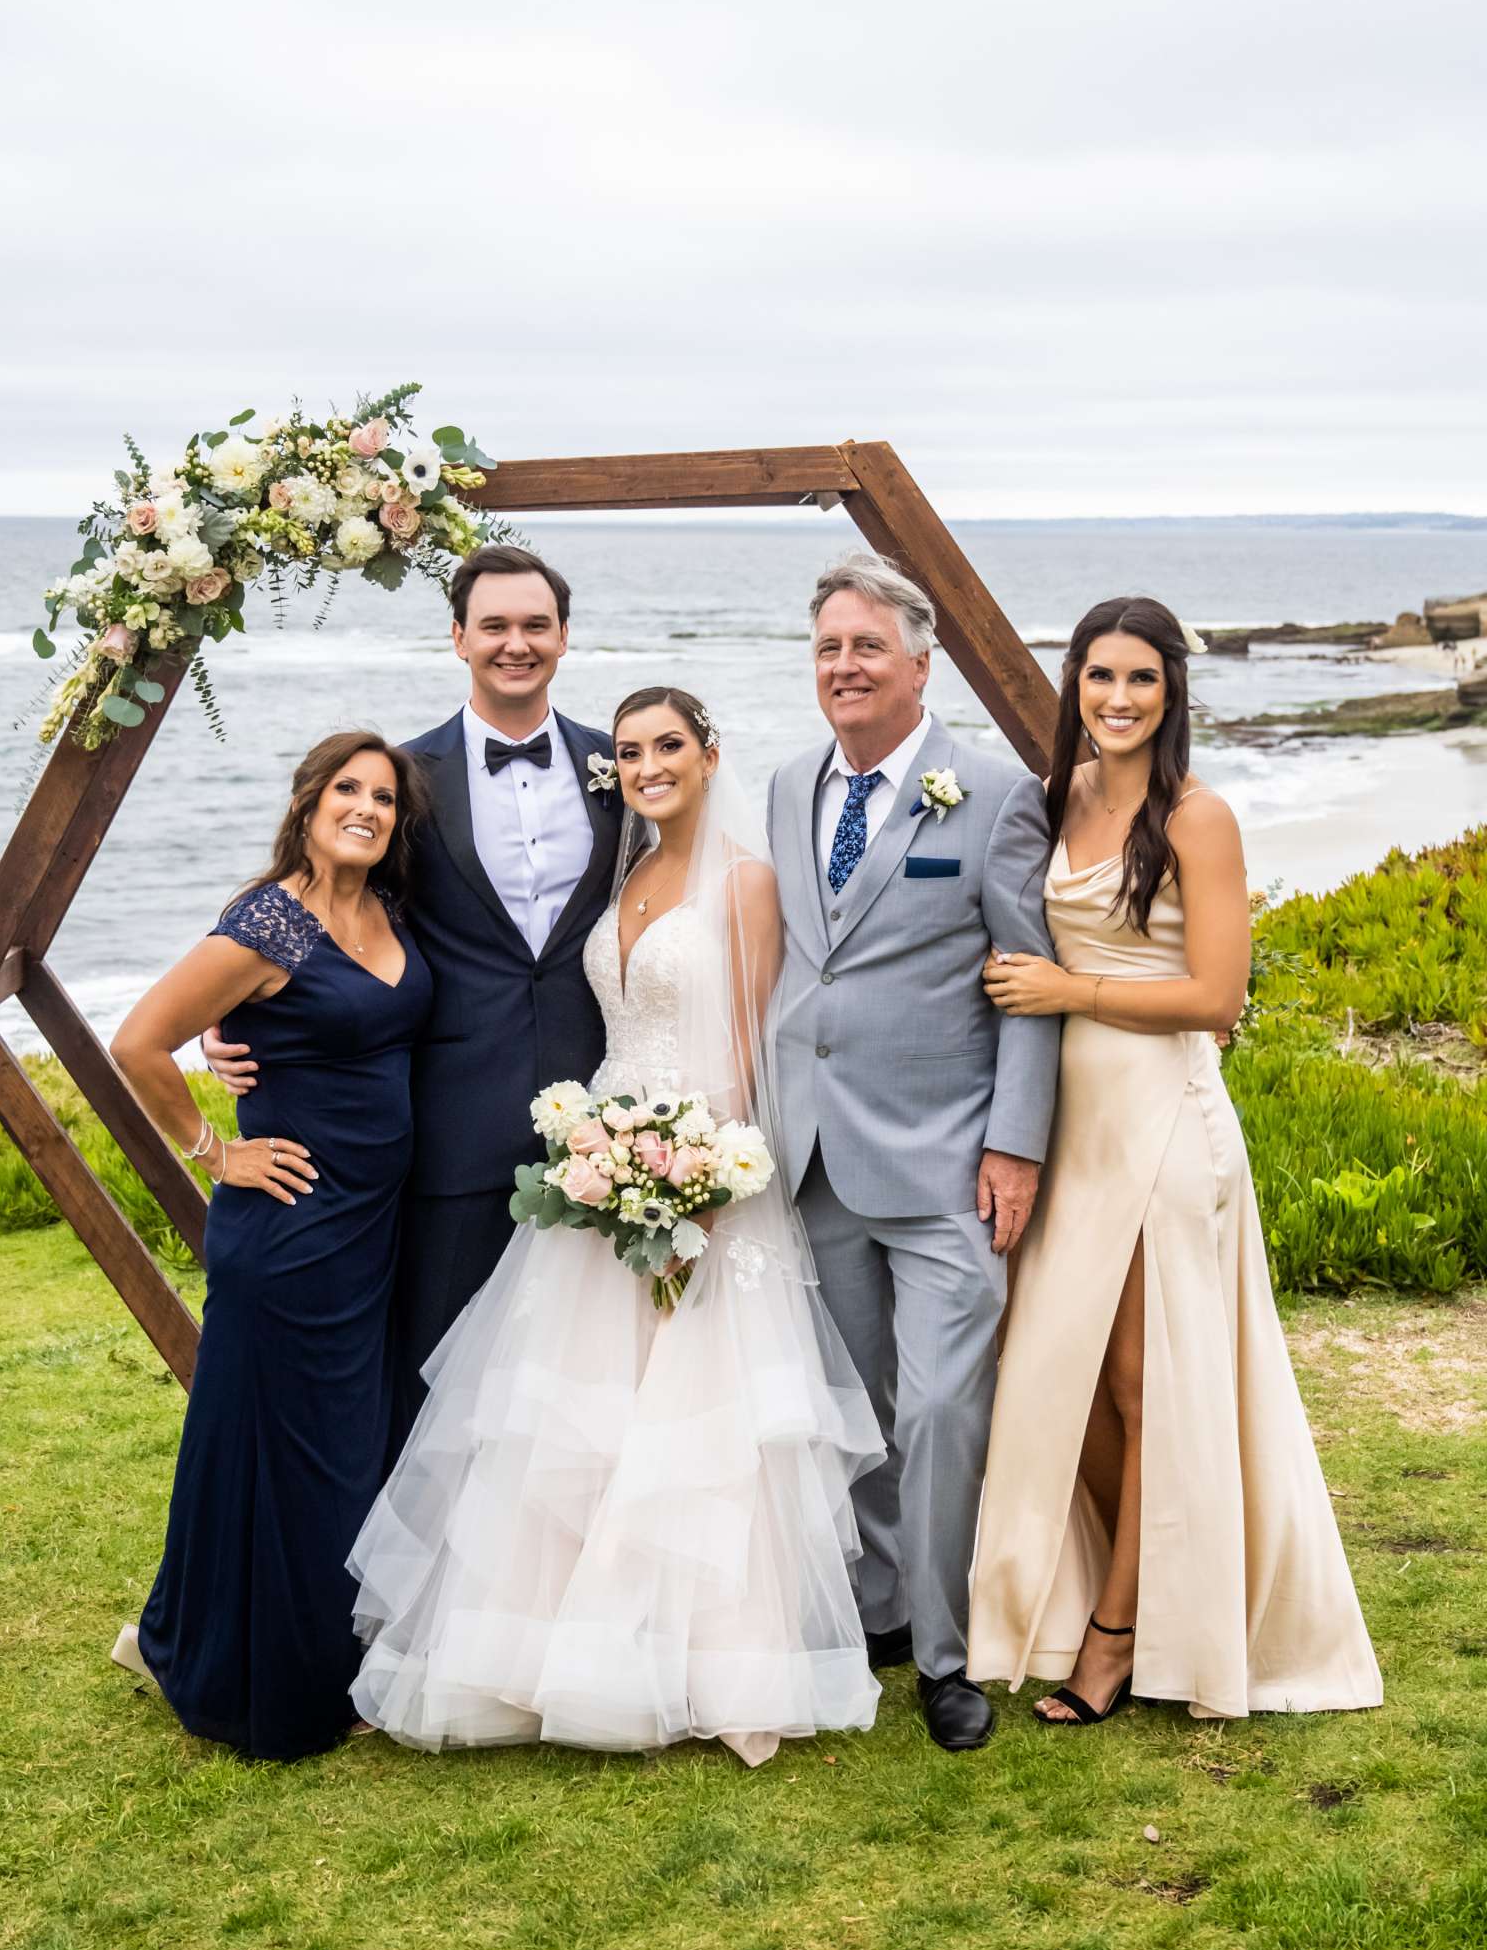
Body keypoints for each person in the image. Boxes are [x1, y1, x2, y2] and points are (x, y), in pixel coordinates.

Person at [347, 688, 885, 1765]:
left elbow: (752, 1044)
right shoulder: (626, 873)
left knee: (704, 1425)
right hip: (598, 1169)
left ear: (708, 754)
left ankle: (725, 1669)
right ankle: (558, 1654)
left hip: (705, 1174)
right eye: (630, 750)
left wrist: (706, 1172)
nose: (646, 766)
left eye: (668, 747)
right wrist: (605, 1155)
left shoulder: (745, 882)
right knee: (575, 1424)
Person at [967, 597, 1382, 1724]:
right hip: (1071, 1123)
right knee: (1069, 1374)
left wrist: (1069, 990)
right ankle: (1129, 1589)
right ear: (1073, 687)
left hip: (1162, 1119)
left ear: (1171, 694)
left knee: (1150, 1384)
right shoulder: (1053, 800)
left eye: (1139, 679)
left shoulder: (1197, 816)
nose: (1115, 698)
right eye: (1098, 676)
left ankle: (1116, 1634)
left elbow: (1217, 998)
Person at [203, 546, 621, 1439]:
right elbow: (324, 901)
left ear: (565, 637)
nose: (517, 643)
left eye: (535, 625)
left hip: (604, 1115)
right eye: (496, 626)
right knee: (436, 1373)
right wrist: (240, 1012)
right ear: (458, 637)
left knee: (589, 1373)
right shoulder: (403, 780)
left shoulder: (617, 768)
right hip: (447, 1125)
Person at [766, 553, 1061, 1753]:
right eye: (828, 648)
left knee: (941, 1409)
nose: (844, 667)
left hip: (948, 1164)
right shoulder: (786, 787)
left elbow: (1028, 985)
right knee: (856, 1410)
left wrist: (1015, 1147)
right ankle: (880, 1612)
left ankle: (946, 1656)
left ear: (920, 659)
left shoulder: (990, 794)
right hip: (815, 1157)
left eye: (865, 647)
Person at [107, 732, 433, 1759]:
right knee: (284, 1457)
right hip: (290, 1234)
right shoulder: (270, 922)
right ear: (306, 802)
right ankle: (263, 1680)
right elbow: (136, 1042)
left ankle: (188, 1633)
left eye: (383, 797)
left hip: (369, 1230)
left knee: (335, 1450)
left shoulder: (385, 909)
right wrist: (214, 1150)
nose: (367, 808)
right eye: (348, 788)